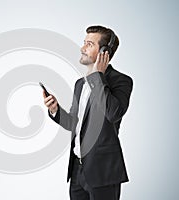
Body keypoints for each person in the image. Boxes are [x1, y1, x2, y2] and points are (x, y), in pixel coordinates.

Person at [43, 25, 133, 200]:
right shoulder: (79, 84)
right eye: (84, 42)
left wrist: (97, 77)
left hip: (103, 172)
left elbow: (113, 113)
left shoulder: (122, 81)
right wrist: (55, 110)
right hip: (77, 170)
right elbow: (75, 125)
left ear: (104, 52)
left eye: (89, 44)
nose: (82, 48)